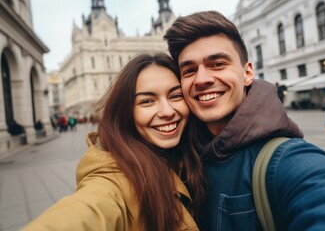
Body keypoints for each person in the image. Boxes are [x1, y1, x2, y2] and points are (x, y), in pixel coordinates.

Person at [164, 10, 325, 230]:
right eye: (189, 70)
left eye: (217, 64)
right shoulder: (180, 153)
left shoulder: (284, 159)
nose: (201, 79)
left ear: (247, 73)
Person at [23, 53, 206, 231]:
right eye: (147, 101)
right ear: (125, 112)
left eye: (175, 96)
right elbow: (90, 210)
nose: (167, 111)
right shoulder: (114, 178)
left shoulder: (195, 155)